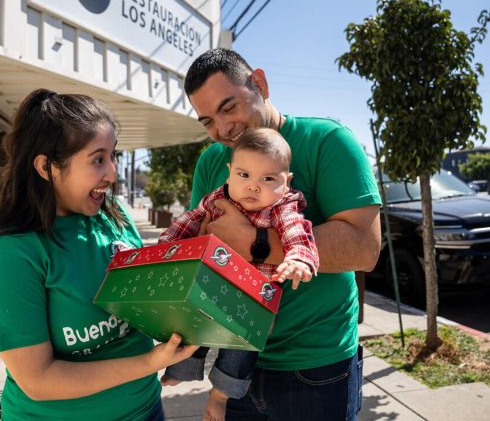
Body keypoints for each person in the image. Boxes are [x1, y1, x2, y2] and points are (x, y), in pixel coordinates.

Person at [163, 49, 382, 421]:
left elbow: (365, 248)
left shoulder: (328, 140)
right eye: (208, 122)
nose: (223, 129)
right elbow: (198, 243)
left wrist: (254, 242)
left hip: (315, 368)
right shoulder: (212, 161)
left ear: (260, 84)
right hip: (233, 364)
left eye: (228, 107)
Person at [0, 89, 198, 421]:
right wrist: (151, 362)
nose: (113, 173)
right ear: (47, 167)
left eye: (113, 155)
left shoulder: (114, 214)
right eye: (97, 159)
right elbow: (38, 380)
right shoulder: (11, 253)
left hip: (146, 409)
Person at [159, 128, 319, 414]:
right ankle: (180, 369)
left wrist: (299, 260)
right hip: (214, 282)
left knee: (241, 347)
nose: (253, 187)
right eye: (243, 175)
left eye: (268, 178)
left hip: (254, 298)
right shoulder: (218, 199)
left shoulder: (282, 207)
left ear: (287, 181)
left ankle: (221, 395)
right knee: (193, 324)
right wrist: (168, 245)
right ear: (230, 171)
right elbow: (190, 221)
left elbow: (298, 234)